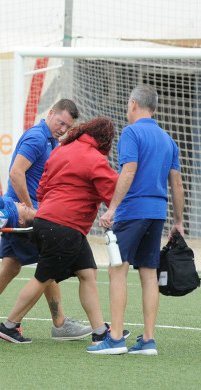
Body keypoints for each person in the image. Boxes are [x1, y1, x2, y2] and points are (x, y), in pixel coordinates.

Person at [0, 99, 92, 341]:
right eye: (61, 122)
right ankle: (56, 324)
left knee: (11, 267)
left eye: (68, 126)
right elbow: (16, 172)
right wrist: (31, 209)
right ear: (51, 113)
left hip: (21, 216)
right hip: (23, 218)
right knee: (50, 266)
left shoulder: (50, 140)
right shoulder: (36, 138)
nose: (63, 129)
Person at [0, 118, 119, 345]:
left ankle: (100, 331)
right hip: (65, 226)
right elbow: (113, 190)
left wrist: (47, 208)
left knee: (88, 272)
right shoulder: (94, 158)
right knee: (44, 278)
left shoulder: (61, 150)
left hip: (48, 220)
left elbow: (42, 186)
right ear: (105, 140)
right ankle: (9, 325)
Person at [88, 85, 184, 356]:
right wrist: (178, 221)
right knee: (148, 273)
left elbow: (128, 172)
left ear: (133, 104)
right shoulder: (168, 139)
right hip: (157, 214)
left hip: (133, 212)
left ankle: (116, 337)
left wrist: (112, 209)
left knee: (117, 269)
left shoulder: (131, 132)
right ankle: (148, 340)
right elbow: (177, 183)